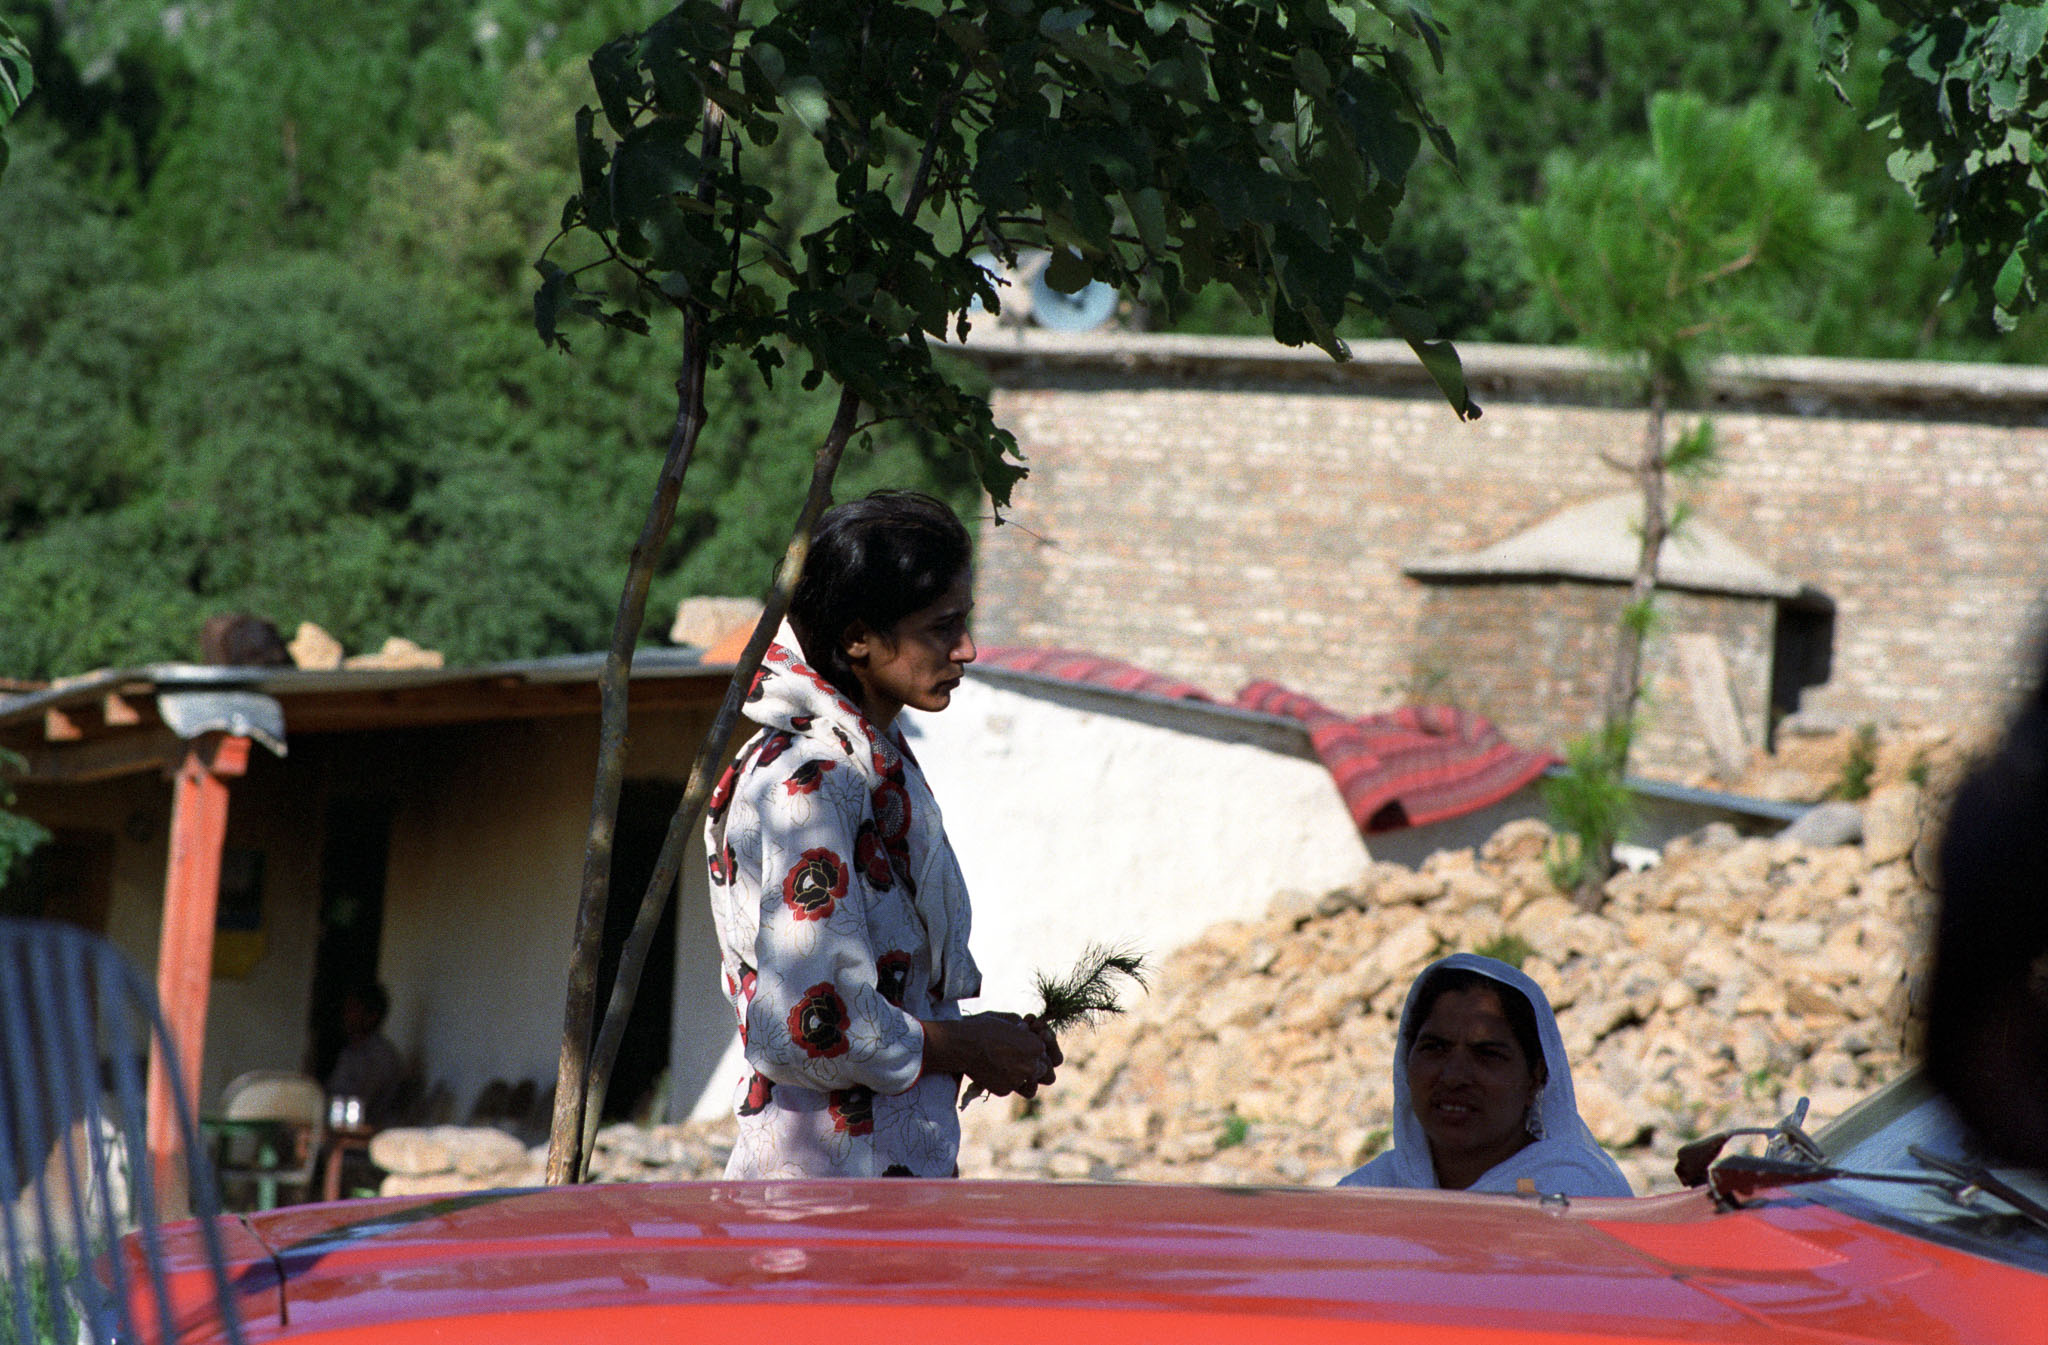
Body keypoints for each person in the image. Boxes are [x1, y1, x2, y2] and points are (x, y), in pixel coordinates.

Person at [706, 490, 1060, 1178]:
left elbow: (871, 999)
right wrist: (965, 1046)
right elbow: (809, 1024)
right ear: (857, 638)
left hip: (876, 1188)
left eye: (964, 621)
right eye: (942, 627)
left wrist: (985, 1040)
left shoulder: (870, 764)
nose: (966, 648)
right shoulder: (813, 783)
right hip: (830, 1200)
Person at [1338, 953, 1632, 1197]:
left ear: (1535, 1077)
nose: (1453, 1077)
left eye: (1487, 1054)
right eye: (1435, 1047)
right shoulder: (1366, 1195)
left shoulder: (1578, 1195)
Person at [326, 983, 405, 1128]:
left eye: (353, 1010)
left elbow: (358, 1103)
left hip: (364, 1132)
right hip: (337, 1127)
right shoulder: (349, 1051)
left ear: (372, 1016)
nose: (346, 1016)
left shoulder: (381, 1056)